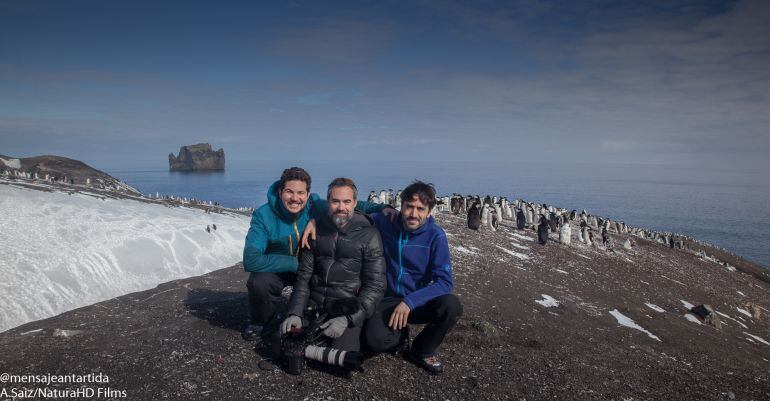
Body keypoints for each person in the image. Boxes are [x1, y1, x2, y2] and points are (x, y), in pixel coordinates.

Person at [241, 167, 395, 341]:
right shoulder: (264, 215)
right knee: (259, 282)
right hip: (280, 269)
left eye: (300, 193)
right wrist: (294, 263)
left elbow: (347, 204)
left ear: (308, 195)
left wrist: (382, 207)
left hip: (309, 270)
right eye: (289, 192)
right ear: (280, 191)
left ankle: (300, 310)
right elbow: (250, 259)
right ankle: (261, 322)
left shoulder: (315, 206)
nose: (295, 198)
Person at [364, 181, 462, 374]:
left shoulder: (436, 236)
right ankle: (400, 336)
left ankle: (422, 350)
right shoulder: (386, 222)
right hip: (388, 299)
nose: (413, 214)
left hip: (417, 302)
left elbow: (444, 282)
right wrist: (381, 207)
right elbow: (352, 213)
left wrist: (410, 301)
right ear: (402, 205)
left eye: (420, 209)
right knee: (374, 341)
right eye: (409, 206)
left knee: (451, 306)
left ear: (429, 211)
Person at [280, 178, 386, 359]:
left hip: (346, 309)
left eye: (346, 202)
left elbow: (375, 286)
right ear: (328, 202)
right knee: (283, 348)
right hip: (313, 308)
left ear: (354, 203)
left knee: (342, 357)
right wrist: (295, 312)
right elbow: (304, 277)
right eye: (335, 201)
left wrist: (349, 319)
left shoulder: (369, 235)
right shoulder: (314, 230)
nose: (341, 207)